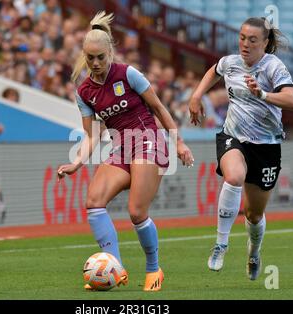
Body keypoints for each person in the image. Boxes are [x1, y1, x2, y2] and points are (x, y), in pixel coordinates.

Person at [57, 11, 194, 291]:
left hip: (148, 141)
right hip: (122, 146)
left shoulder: (128, 74)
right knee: (94, 201)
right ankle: (115, 268)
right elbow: (92, 134)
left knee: (136, 211)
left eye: (100, 57)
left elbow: (158, 107)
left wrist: (177, 141)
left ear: (110, 53)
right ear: (84, 55)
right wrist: (77, 163)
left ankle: (154, 268)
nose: (95, 63)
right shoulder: (84, 92)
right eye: (90, 58)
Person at [189, 17, 293, 280]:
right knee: (234, 176)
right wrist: (196, 96)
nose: (245, 44)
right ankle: (221, 244)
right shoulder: (231, 62)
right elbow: (214, 70)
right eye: (242, 38)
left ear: (265, 43)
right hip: (233, 137)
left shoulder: (273, 67)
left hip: (266, 146)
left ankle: (253, 252)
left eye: (252, 40)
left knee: (254, 214)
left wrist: (262, 94)